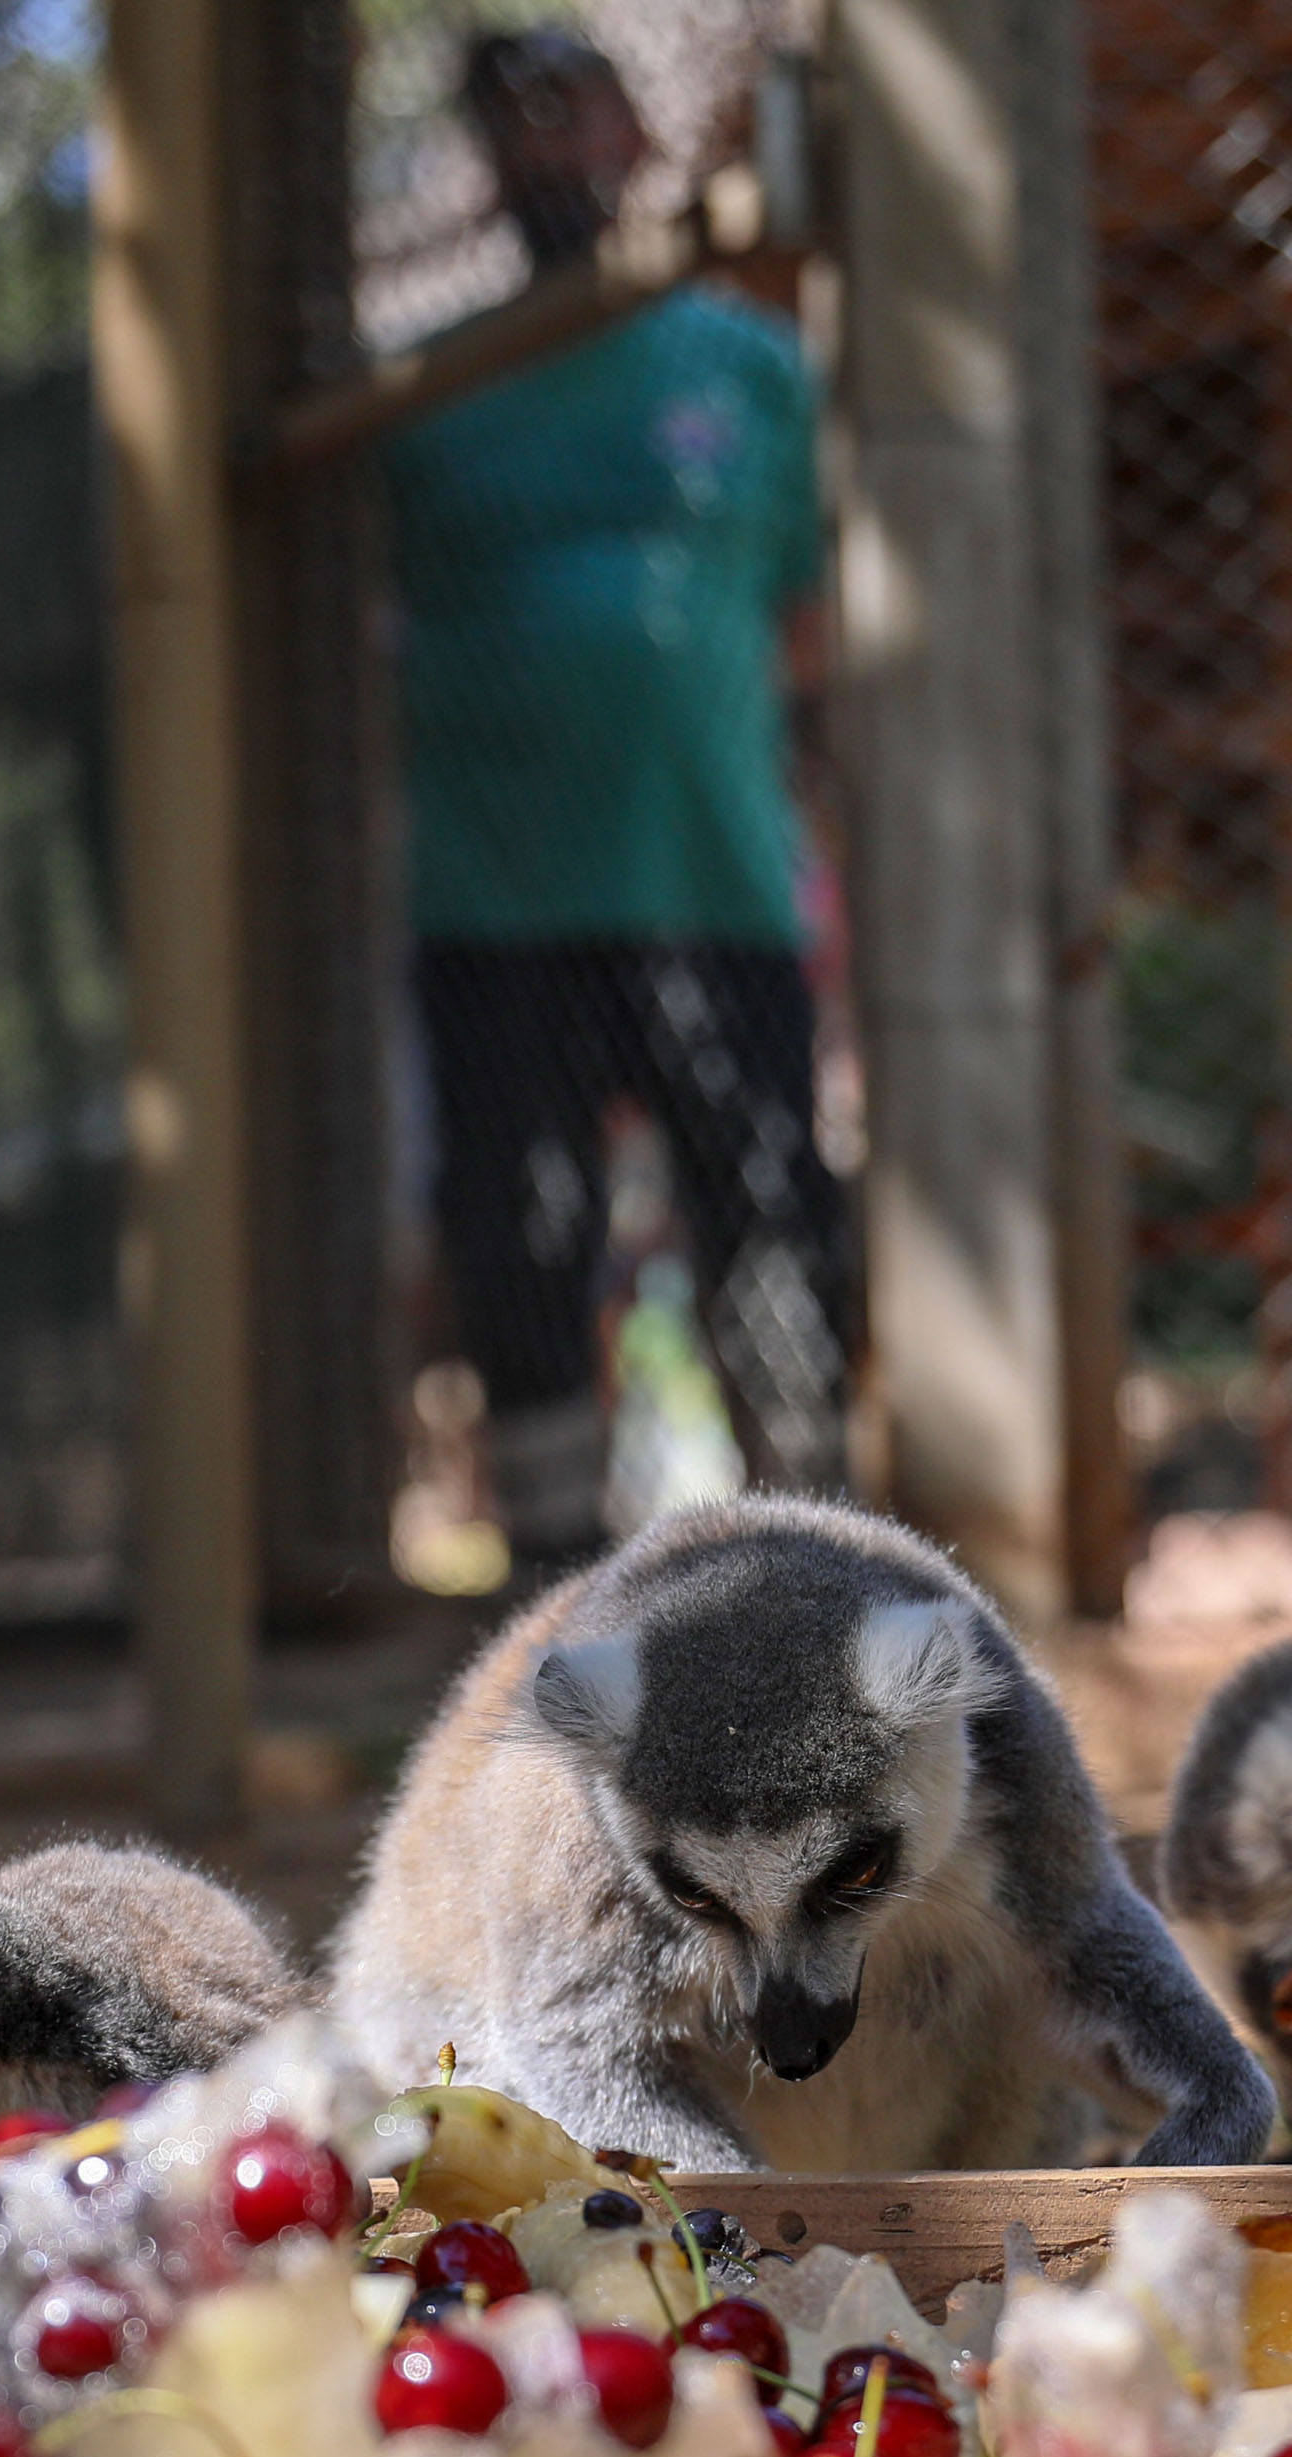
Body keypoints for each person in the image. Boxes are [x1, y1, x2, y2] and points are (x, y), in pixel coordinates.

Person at [387, 28, 854, 1568]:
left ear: (632, 139)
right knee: (519, 1248)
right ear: (479, 158)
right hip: (494, 895)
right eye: (506, 119)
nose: (544, 148)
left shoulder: (751, 368)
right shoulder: (427, 395)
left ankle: (809, 1560)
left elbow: (800, 613)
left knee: (767, 1220)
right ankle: (538, 1595)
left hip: (714, 882)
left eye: (566, 109)